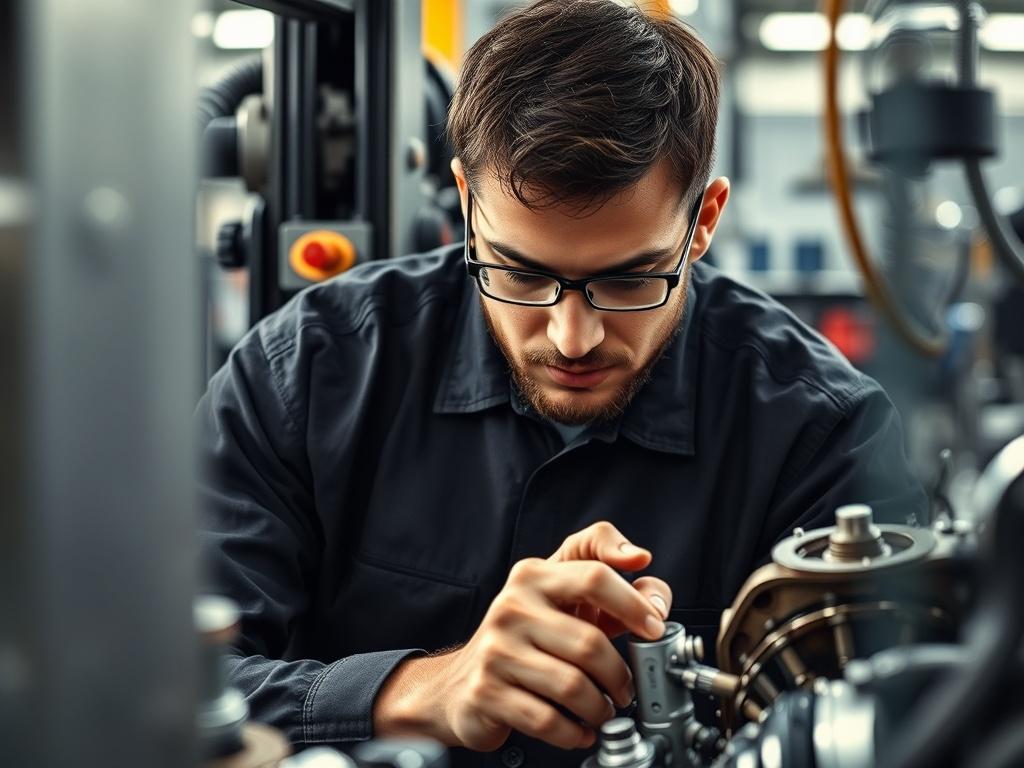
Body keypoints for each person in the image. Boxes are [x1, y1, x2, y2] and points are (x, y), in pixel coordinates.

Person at [197, 1, 927, 766]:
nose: (571, 337)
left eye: (630, 279)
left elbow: (896, 725)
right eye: (520, 271)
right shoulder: (310, 374)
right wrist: (419, 690)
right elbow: (158, 681)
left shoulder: (822, 438)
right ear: (468, 205)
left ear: (703, 220)